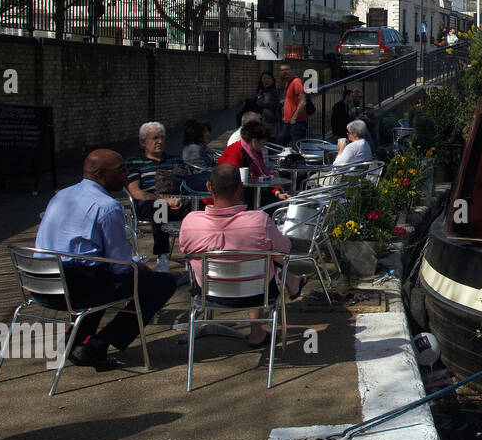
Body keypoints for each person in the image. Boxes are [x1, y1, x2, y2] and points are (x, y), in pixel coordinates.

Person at [35, 150, 179, 370]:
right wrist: (141, 268)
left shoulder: (61, 195)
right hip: (73, 289)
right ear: (100, 174)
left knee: (101, 276)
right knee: (162, 283)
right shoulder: (107, 206)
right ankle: (95, 346)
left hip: (40, 285)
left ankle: (73, 340)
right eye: (121, 170)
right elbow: (120, 266)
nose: (127, 174)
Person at [178, 164, 302, 347]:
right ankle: (257, 331)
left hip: (208, 294)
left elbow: (185, 252)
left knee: (263, 260)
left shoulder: (190, 223)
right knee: (267, 260)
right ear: (240, 188)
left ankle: (290, 284)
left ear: (209, 188)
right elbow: (284, 250)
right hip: (257, 293)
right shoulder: (260, 222)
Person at [126, 121, 188, 276]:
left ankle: (195, 254)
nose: (159, 141)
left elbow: (185, 185)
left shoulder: (175, 160)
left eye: (162, 138)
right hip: (150, 205)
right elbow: (135, 191)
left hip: (176, 201)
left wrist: (178, 200)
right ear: (143, 142)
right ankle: (162, 256)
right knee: (159, 206)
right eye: (154, 138)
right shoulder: (135, 162)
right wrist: (165, 200)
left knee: (196, 206)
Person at [217, 121, 288, 204]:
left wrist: (277, 193)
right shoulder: (235, 151)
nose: (263, 146)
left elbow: (263, 174)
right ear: (254, 141)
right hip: (230, 194)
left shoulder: (255, 152)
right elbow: (230, 179)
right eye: (262, 143)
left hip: (249, 191)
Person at [278, 62, 308, 144]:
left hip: (296, 121)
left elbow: (303, 101)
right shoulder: (288, 82)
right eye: (282, 70)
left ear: (292, 70)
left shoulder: (296, 82)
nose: (285, 72)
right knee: (281, 141)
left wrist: (294, 117)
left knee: (297, 145)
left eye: (287, 69)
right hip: (288, 121)